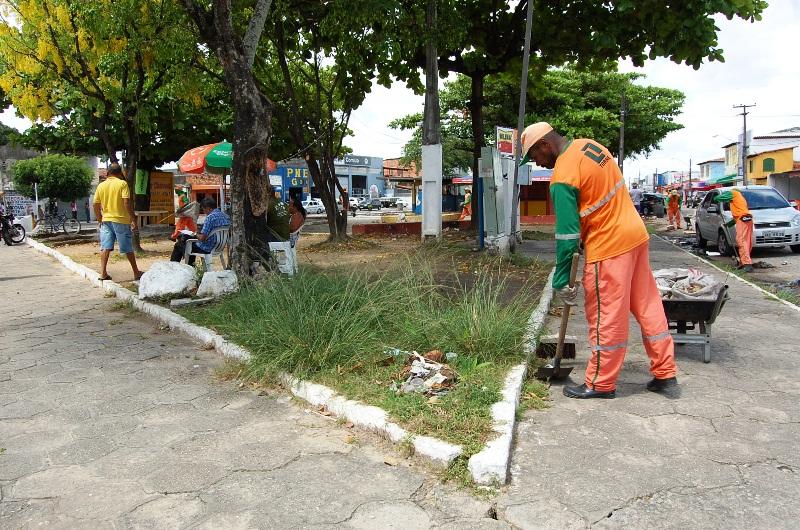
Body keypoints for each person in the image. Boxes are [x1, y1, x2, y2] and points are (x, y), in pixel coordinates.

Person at [520, 122, 678, 399]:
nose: (537, 162)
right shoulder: (590, 147)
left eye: (534, 155)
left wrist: (561, 280)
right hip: (635, 236)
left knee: (606, 315)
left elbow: (567, 236)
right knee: (648, 305)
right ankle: (665, 373)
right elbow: (596, 200)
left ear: (544, 144)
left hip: (609, 246)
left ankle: (600, 383)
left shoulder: (562, 177)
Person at [93, 163, 143, 281]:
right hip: (121, 220)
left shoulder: (101, 186)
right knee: (127, 247)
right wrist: (133, 218)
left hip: (106, 220)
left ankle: (103, 273)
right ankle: (136, 272)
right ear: (120, 173)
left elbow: (95, 204)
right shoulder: (122, 184)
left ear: (108, 173)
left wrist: (100, 219)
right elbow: (126, 202)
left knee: (105, 247)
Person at [714, 189, 753, 272]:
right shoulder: (740, 200)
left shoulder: (733, 193)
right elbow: (738, 215)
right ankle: (743, 262)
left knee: (741, 241)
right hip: (747, 219)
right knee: (746, 242)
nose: (728, 202)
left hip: (742, 220)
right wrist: (728, 224)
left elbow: (719, 198)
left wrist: (715, 198)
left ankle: (747, 264)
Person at [185, 196, 230, 265]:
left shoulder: (210, 217)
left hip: (207, 248)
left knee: (182, 243)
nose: (204, 212)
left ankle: (175, 267)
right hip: (219, 247)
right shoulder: (225, 216)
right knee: (188, 242)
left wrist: (194, 234)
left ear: (208, 208)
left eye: (203, 210)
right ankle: (190, 266)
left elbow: (202, 238)